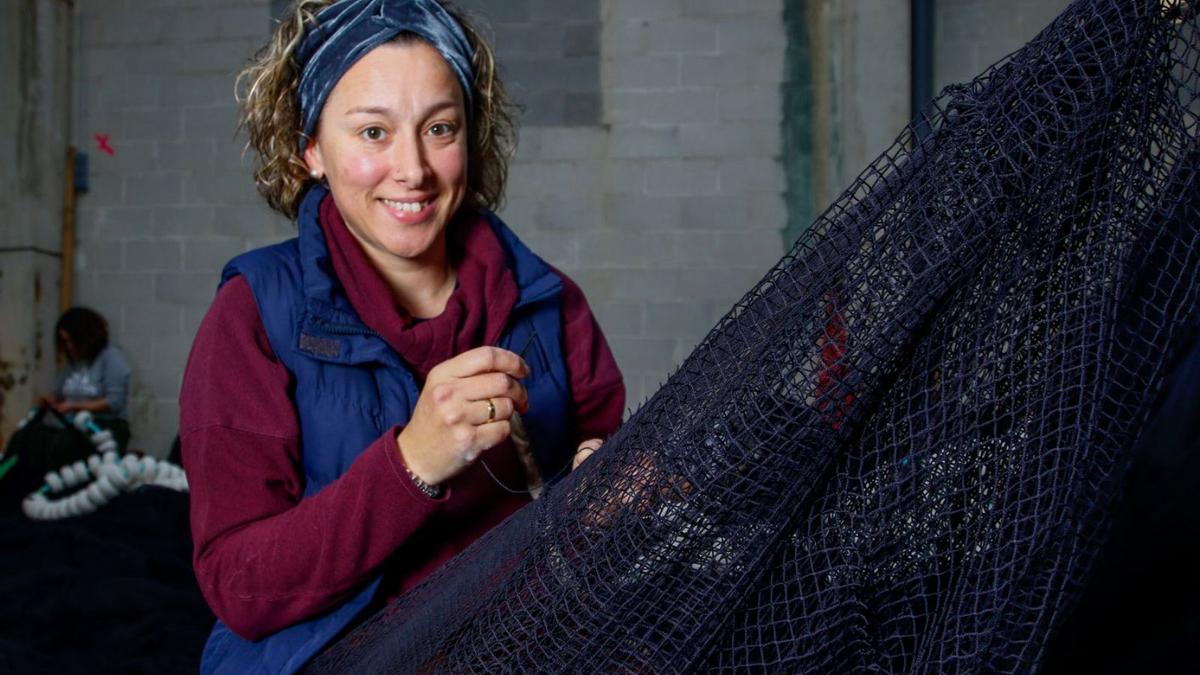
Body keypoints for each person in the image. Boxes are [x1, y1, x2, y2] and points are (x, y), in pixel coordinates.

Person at [178, 1, 625, 673]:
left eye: (439, 128)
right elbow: (240, 588)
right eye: (372, 132)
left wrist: (615, 493)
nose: (412, 169)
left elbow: (605, 482)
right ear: (311, 148)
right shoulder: (252, 316)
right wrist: (411, 463)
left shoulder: (549, 304)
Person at [37, 306, 132, 446]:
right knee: (30, 436)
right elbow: (58, 393)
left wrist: (74, 406)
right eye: (64, 342)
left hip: (102, 424)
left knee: (63, 443)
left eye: (70, 341)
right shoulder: (73, 364)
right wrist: (49, 400)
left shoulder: (111, 357)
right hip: (70, 423)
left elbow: (114, 402)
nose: (68, 346)